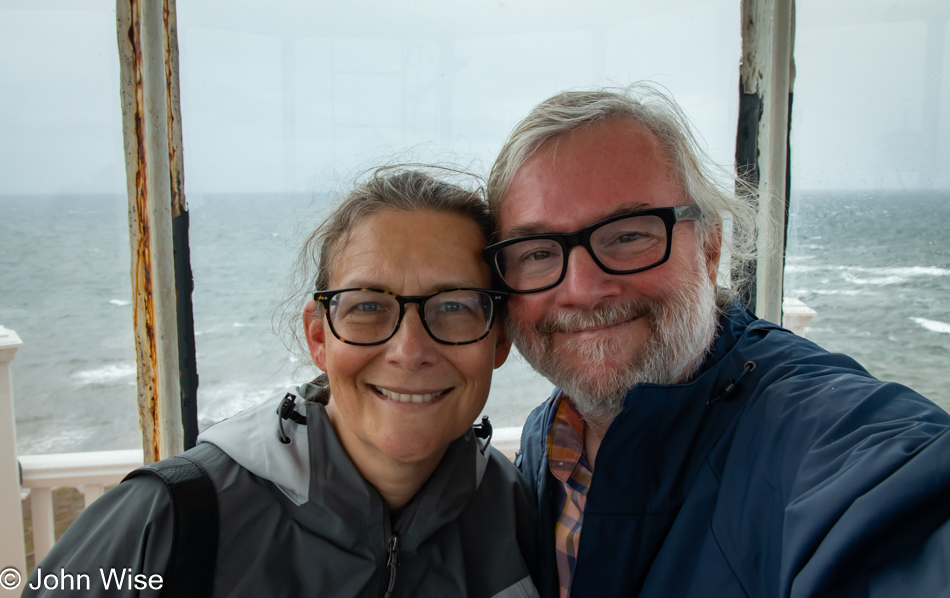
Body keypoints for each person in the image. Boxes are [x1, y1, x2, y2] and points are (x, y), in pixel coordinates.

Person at [483, 85, 950, 598]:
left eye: (629, 235)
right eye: (537, 253)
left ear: (709, 247)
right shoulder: (546, 441)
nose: (582, 290)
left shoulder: (818, 436)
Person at [24, 168, 539, 597]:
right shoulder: (172, 519)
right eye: (367, 307)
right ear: (319, 336)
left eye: (453, 307)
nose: (408, 351)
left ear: (498, 341)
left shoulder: (516, 513)